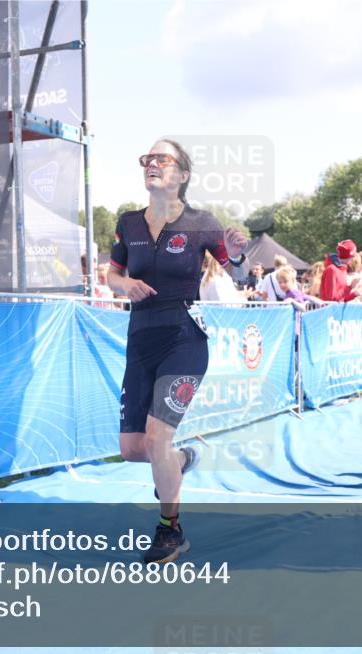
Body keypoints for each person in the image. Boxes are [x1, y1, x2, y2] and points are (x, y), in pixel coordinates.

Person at [105, 139, 248, 564]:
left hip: (184, 338)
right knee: (134, 449)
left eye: (161, 159)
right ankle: (181, 459)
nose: (151, 164)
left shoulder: (202, 221)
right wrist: (124, 285)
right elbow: (112, 275)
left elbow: (237, 271)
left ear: (182, 175)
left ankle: (171, 531)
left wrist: (238, 255)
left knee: (155, 438)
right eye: (147, 159)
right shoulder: (127, 223)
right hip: (140, 339)